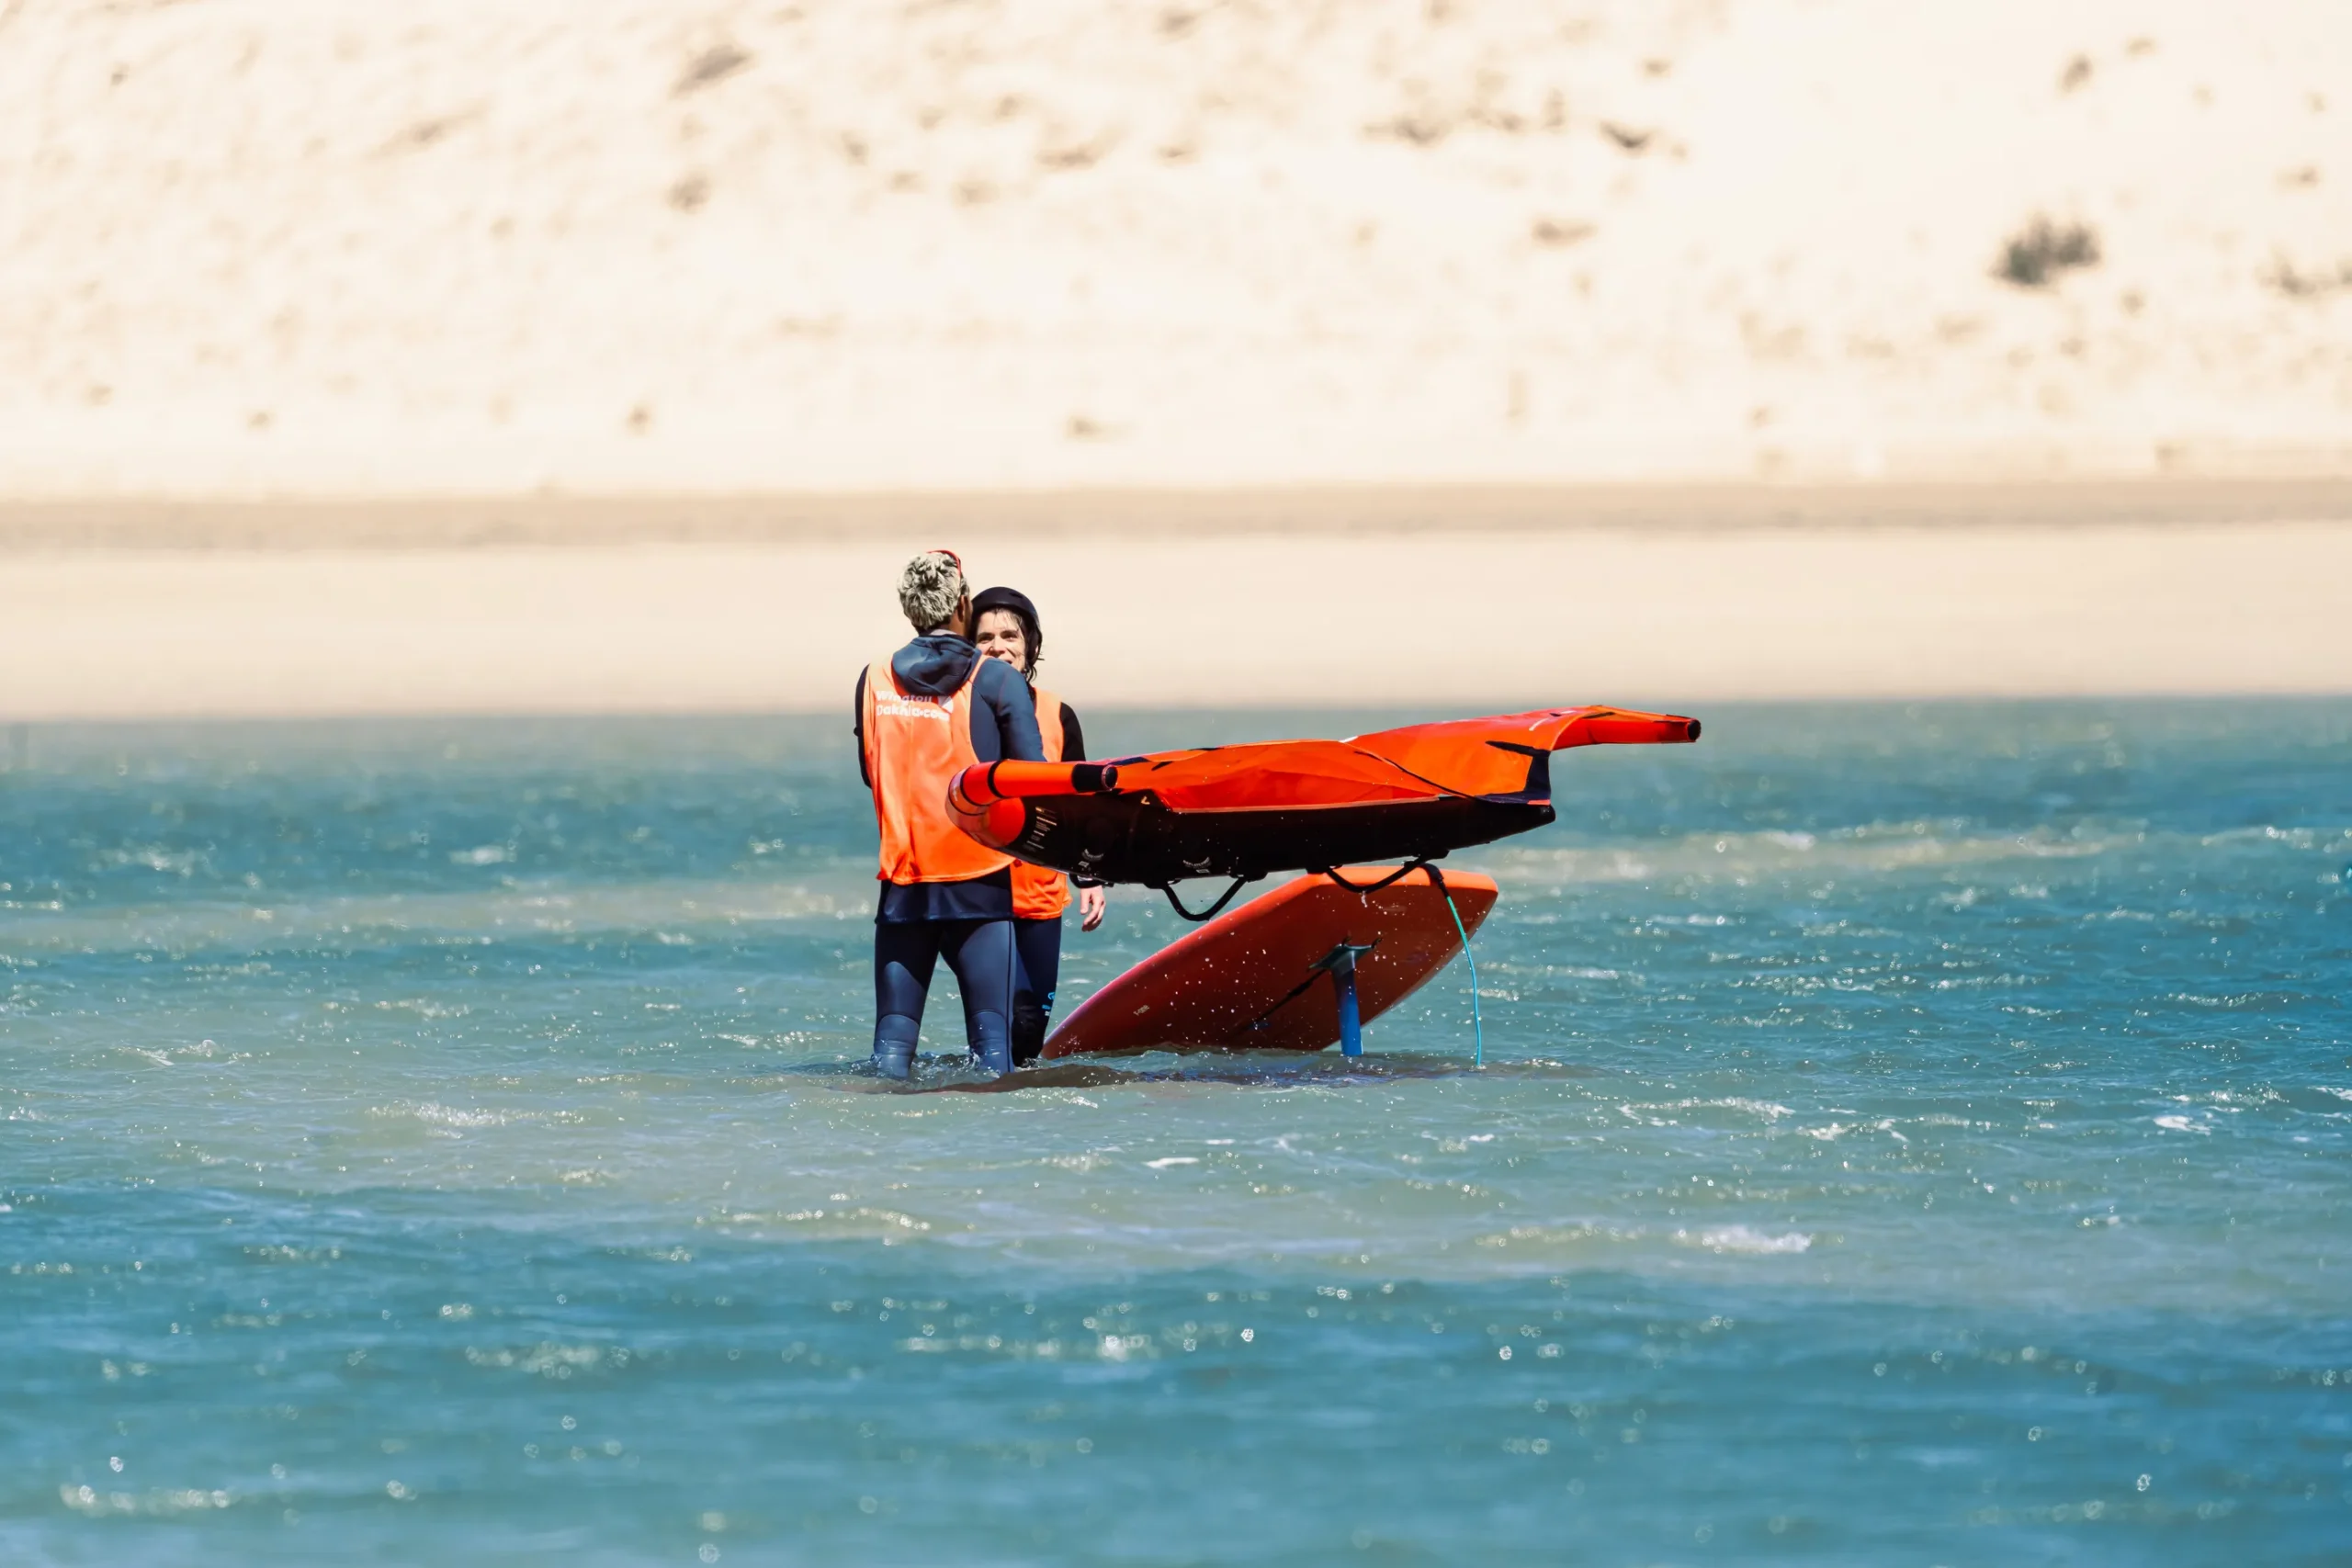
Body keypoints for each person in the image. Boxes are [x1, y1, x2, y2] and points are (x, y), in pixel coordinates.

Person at [854, 551, 1043, 1079]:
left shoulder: (872, 680)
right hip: (979, 886)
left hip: (903, 886)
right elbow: (1033, 782)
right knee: (992, 1055)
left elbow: (872, 773)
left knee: (890, 1052)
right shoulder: (998, 682)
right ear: (963, 603)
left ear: (909, 609)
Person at [968, 586, 1106, 1065]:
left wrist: (1089, 877)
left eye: (1010, 635)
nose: (998, 646)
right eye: (984, 637)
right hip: (976, 892)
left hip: (1040, 892)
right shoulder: (955, 712)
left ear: (1030, 645)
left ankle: (1013, 1126)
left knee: (1028, 1028)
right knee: (995, 1027)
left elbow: (1082, 808)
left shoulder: (1057, 713)